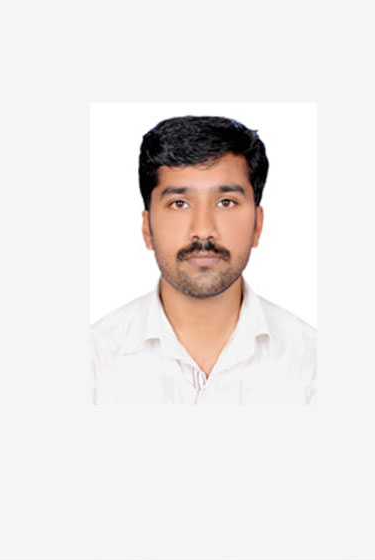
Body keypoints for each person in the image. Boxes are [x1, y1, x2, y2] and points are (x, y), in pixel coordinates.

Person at [90, 115, 316, 405]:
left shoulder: (311, 364)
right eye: (179, 204)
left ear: (257, 225)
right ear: (147, 229)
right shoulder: (95, 363)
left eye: (226, 202)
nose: (203, 230)